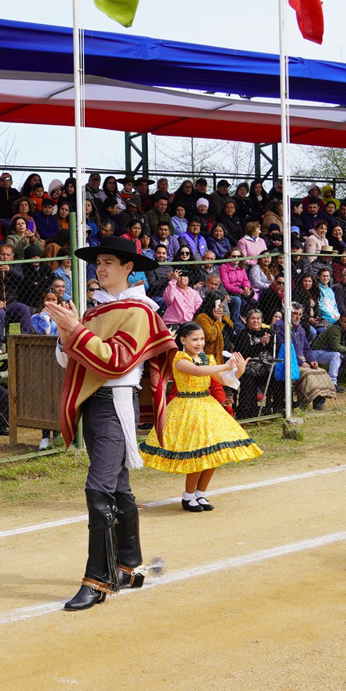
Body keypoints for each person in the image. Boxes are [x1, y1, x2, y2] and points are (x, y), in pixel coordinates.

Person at [46, 236, 175, 611]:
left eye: (109, 262)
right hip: (98, 405)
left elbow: (116, 361)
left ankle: (98, 579)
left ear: (128, 268)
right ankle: (128, 567)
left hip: (116, 403)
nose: (100, 268)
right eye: (98, 262)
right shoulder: (95, 310)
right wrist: (66, 334)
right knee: (117, 487)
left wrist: (77, 332)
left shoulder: (138, 310)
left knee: (98, 488)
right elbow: (69, 362)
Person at [139, 322, 261, 510]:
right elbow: (197, 371)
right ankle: (188, 496)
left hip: (207, 406)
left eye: (202, 339)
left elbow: (222, 379)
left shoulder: (208, 359)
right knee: (197, 453)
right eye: (195, 339)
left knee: (213, 452)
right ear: (182, 340)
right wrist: (224, 366)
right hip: (187, 408)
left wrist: (238, 370)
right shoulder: (179, 358)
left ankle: (200, 493)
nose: (199, 343)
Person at [309, 312, 346, 391]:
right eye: (345, 322)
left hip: (332, 352)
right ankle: (332, 383)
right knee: (336, 355)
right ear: (340, 321)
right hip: (317, 352)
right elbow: (335, 347)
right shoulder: (335, 328)